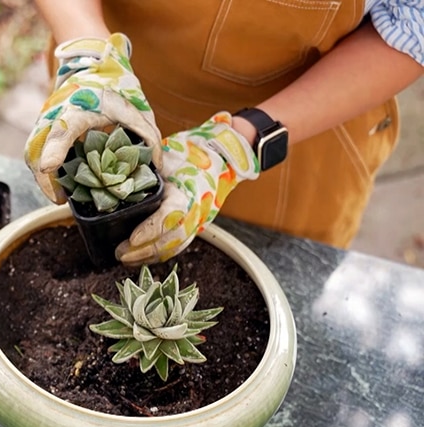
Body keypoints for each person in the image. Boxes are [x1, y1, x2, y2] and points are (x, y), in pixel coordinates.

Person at [25, 1, 424, 265]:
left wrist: (234, 147)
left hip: (301, 133)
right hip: (108, 88)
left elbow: (413, 24)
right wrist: (90, 56)